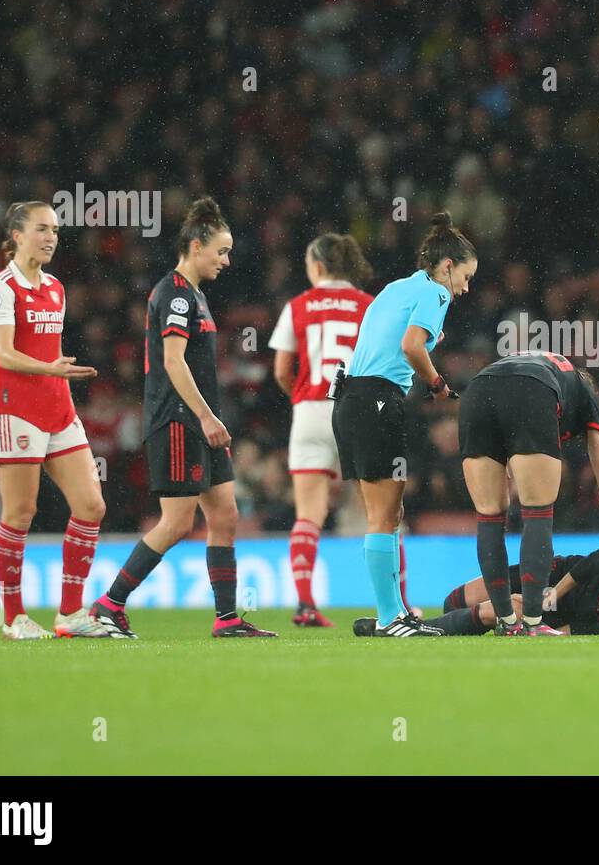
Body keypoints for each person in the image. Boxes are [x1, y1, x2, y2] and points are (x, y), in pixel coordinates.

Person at [90, 197, 275, 639]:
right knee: (176, 523)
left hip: (198, 423)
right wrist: (207, 417)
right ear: (195, 245)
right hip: (177, 421)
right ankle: (107, 604)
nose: (227, 260)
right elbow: (173, 362)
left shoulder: (195, 295)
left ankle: (227, 618)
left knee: (225, 515)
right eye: (221, 251)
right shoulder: (174, 293)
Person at [332, 211, 477, 637]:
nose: (464, 288)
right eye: (465, 277)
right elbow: (410, 345)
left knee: (386, 513)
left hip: (350, 400)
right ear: (447, 266)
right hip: (378, 398)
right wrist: (436, 382)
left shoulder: (398, 288)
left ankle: (393, 612)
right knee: (383, 516)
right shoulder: (436, 294)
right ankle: (389, 617)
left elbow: (386, 341)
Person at [0, 202, 111, 639]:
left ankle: (70, 614)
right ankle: (14, 618)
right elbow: (4, 355)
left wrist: (60, 380)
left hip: (59, 409)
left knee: (92, 505)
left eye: (54, 229)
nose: (51, 237)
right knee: (20, 512)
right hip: (15, 411)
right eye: (41, 229)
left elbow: (48, 350)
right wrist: (52, 368)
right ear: (16, 235)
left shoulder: (55, 287)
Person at [458, 351, 599, 635]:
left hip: (478, 389)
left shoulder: (555, 372)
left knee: (489, 515)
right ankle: (531, 623)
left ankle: (505, 622)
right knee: (537, 513)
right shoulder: (587, 396)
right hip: (531, 389)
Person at [269, 232, 378, 627]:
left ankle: (304, 604)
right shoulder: (368, 306)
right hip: (356, 410)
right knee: (379, 514)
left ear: (316, 266)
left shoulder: (298, 305)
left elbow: (282, 370)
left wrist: (300, 396)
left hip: (310, 411)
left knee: (308, 513)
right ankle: (396, 604)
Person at [356, 543, 599, 636]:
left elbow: (573, 631)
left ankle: (397, 629)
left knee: (495, 610)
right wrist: (551, 593)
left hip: (558, 612)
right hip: (558, 575)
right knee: (453, 601)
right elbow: (594, 561)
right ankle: (422, 623)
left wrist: (535, 625)